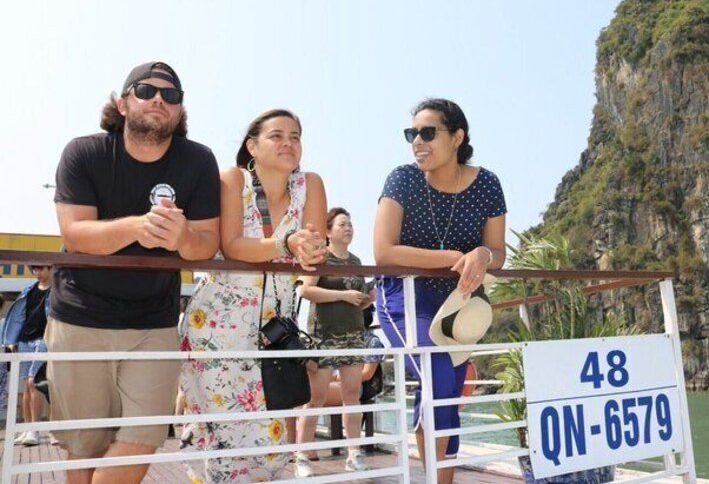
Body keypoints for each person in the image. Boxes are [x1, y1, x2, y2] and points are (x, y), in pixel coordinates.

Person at [49, 61, 222, 484]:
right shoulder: (84, 152)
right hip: (80, 317)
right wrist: (137, 227)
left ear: (179, 111)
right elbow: (75, 234)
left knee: (144, 436)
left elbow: (206, 245)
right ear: (122, 103)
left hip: (154, 323)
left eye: (171, 95)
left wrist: (183, 236)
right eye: (145, 90)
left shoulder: (199, 160)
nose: (159, 99)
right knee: (83, 445)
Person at [180, 108, 327, 483]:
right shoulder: (234, 179)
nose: (288, 143)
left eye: (295, 137)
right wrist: (286, 243)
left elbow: (313, 246)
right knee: (219, 430)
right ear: (252, 146)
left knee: (270, 434)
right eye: (276, 136)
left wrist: (311, 250)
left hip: (273, 330)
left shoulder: (310, 185)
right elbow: (232, 245)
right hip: (216, 324)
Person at [374, 98, 506, 484]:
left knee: (446, 390)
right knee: (437, 375)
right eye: (412, 134)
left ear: (457, 137)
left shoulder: (487, 184)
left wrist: (483, 254)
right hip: (403, 296)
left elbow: (497, 252)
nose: (418, 141)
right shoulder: (402, 179)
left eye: (428, 132)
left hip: (455, 303)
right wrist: (452, 257)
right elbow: (384, 252)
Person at [295, 207, 372, 477]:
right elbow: (305, 290)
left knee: (352, 395)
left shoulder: (357, 261)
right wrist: (342, 296)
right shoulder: (320, 256)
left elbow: (358, 298)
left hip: (353, 335)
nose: (348, 228)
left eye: (350, 224)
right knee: (315, 398)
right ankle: (302, 456)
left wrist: (365, 299)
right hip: (323, 336)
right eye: (342, 224)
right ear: (328, 231)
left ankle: (354, 453)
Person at [2, 264, 51, 446]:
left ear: (51, 269)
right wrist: (11, 340)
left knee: (34, 382)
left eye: (41, 269)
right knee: (26, 385)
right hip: (25, 339)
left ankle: (34, 430)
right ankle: (26, 429)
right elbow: (18, 317)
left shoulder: (55, 292)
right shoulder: (28, 290)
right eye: (34, 269)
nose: (38, 273)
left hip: (43, 339)